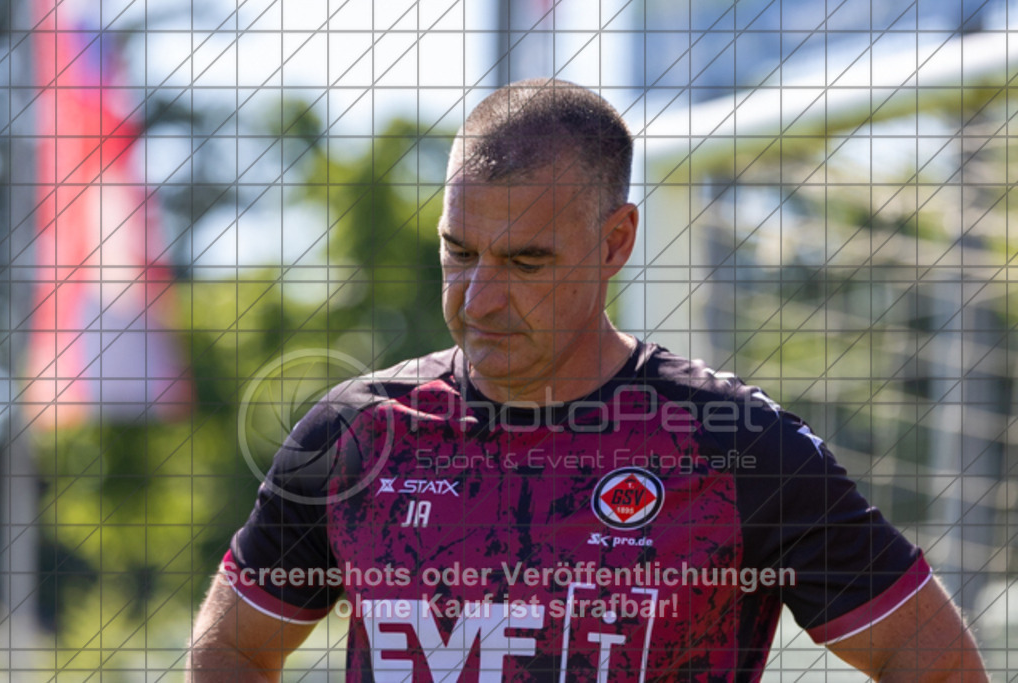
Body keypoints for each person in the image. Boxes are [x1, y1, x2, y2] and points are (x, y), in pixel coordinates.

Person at [186, 78, 987, 681]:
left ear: (616, 241)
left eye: (526, 260)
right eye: (459, 252)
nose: (479, 297)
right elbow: (232, 645)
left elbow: (938, 666)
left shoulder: (739, 450)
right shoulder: (355, 436)